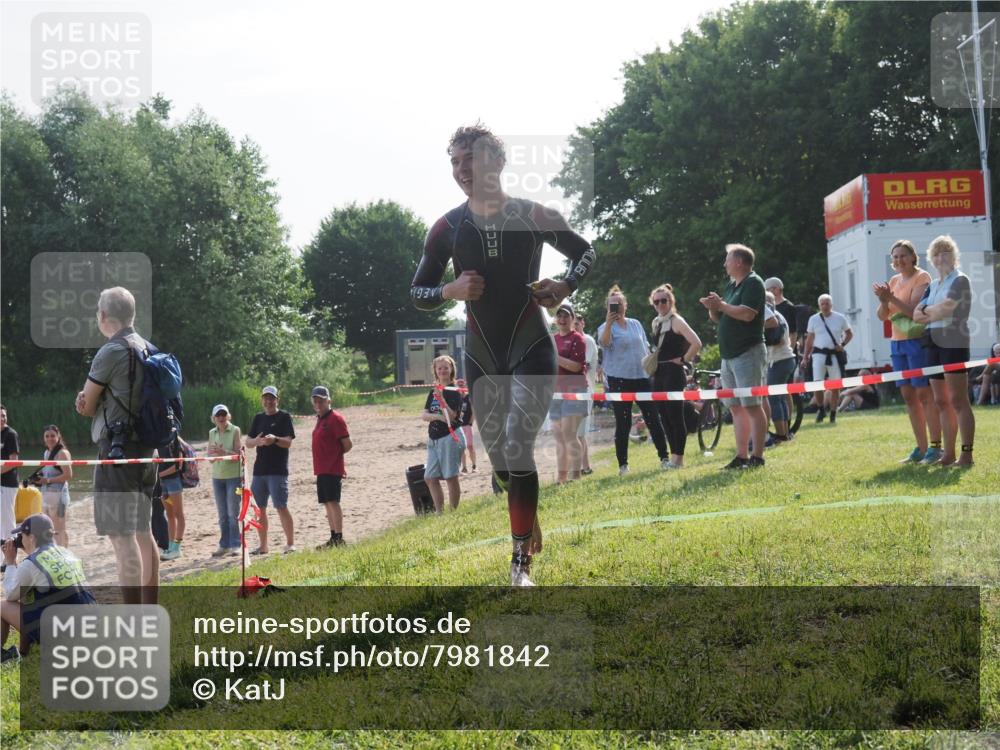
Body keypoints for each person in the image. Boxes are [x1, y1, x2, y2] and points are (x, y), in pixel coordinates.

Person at [411, 124, 595, 586]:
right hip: (480, 354)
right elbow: (418, 289)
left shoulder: (533, 214)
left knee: (517, 445)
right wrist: (449, 289)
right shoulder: (448, 228)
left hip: (532, 345)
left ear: (495, 161)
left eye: (468, 159)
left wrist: (565, 285)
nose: (461, 170)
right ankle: (526, 514)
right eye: (454, 162)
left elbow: (585, 251)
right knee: (500, 460)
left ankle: (519, 564)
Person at [75, 287, 158, 604]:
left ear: (104, 316)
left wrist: (84, 403)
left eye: (98, 309)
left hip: (116, 453)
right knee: (144, 532)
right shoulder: (147, 347)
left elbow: (87, 405)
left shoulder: (110, 351)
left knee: (122, 539)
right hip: (146, 452)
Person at [873, 239, 943, 464]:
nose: (899, 260)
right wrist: (884, 302)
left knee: (924, 394)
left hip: (916, 340)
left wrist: (890, 298)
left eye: (903, 255)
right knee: (908, 396)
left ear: (913, 257)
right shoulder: (894, 280)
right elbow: (882, 315)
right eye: (895, 257)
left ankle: (935, 447)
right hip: (897, 342)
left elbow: (914, 311)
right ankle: (920, 448)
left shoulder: (922, 277)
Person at [699, 244, 768, 469]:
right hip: (728, 356)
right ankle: (741, 456)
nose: (724, 263)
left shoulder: (754, 283)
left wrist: (722, 305)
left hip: (748, 353)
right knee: (736, 408)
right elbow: (721, 318)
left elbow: (748, 314)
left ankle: (758, 456)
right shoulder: (731, 286)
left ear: (739, 262)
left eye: (728, 259)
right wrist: (713, 308)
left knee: (752, 406)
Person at [913, 235, 976, 467]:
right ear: (932, 258)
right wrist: (932, 310)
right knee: (940, 401)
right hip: (931, 341)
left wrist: (928, 310)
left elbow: (946, 310)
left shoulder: (960, 280)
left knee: (958, 399)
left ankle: (966, 454)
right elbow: (915, 315)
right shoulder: (932, 285)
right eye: (936, 253)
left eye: (945, 252)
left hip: (953, 340)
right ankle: (948, 454)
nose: (941, 257)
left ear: (954, 256)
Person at [598, 285, 672, 475]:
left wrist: (653, 364)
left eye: (619, 304)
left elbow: (645, 348)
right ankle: (623, 465)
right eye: (612, 306)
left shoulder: (635, 324)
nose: (617, 308)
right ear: (607, 308)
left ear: (625, 305)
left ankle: (664, 457)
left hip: (641, 378)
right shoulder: (604, 327)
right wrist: (608, 323)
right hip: (618, 380)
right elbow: (604, 343)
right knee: (623, 423)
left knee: (653, 418)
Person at [1, 514, 94, 662]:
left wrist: (11, 562)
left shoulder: (31, 563)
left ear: (31, 537)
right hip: (90, 631)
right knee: (31, 596)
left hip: (64, 637)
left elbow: (11, 594)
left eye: (22, 535)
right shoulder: (67, 553)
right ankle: (24, 653)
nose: (20, 539)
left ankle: (2, 654)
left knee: (2, 606)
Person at [648, 284, 702, 468]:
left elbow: (696, 342)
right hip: (659, 373)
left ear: (671, 301)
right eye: (657, 301)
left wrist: (684, 359)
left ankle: (679, 459)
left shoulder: (677, 321)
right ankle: (673, 458)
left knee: (675, 417)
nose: (660, 304)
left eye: (664, 300)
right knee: (664, 417)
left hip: (673, 372)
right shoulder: (656, 322)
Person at [246, 386, 297, 554]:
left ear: (277, 399)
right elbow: (248, 442)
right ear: (262, 400)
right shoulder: (258, 418)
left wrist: (274, 439)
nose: (268, 401)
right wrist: (258, 442)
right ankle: (263, 546)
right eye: (266, 398)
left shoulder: (284, 417)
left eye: (271, 398)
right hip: (259, 471)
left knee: (281, 506)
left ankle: (290, 544)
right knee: (259, 509)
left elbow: (288, 442)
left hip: (278, 470)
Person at [549, 302, 588, 483]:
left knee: (569, 433)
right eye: (560, 316)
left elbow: (576, 366)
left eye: (566, 316)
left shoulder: (578, 339)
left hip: (575, 389)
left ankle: (576, 475)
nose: (562, 319)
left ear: (573, 319)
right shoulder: (552, 339)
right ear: (556, 319)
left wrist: (555, 358)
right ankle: (561, 478)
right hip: (555, 392)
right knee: (558, 436)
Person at [422, 356, 465, 512]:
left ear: (452, 369)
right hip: (433, 438)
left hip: (450, 436)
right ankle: (440, 513)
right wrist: (438, 416)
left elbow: (453, 416)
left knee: (450, 477)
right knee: (430, 477)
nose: (442, 370)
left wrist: (442, 400)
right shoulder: (433, 391)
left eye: (446, 367)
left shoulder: (455, 391)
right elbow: (424, 415)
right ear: (435, 371)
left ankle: (453, 511)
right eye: (439, 368)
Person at [311, 386, 353, 547]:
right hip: (321, 468)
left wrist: (335, 458)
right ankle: (333, 536)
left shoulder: (335, 418)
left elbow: (347, 444)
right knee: (327, 502)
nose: (318, 403)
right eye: (316, 401)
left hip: (332, 468)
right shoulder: (320, 419)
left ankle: (339, 537)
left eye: (321, 400)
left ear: (328, 400)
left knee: (333, 501)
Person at [802, 294, 853, 424]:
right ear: (819, 305)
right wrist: (805, 357)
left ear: (831, 305)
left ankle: (833, 412)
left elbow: (849, 333)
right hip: (818, 354)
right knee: (817, 384)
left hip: (834, 354)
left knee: (835, 385)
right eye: (822, 304)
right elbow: (809, 339)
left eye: (827, 303)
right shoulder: (813, 319)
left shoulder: (840, 318)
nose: (825, 306)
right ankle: (820, 409)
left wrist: (842, 345)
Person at [207, 404, 242, 557]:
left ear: (228, 416)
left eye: (223, 414)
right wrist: (214, 455)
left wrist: (223, 452)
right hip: (217, 477)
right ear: (213, 418)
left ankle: (236, 544)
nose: (221, 418)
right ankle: (224, 544)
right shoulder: (211, 433)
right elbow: (210, 459)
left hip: (233, 477)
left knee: (232, 512)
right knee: (222, 514)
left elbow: (238, 456)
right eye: (218, 415)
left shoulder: (235, 430)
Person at [763, 292, 797, 445]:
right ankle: (784, 433)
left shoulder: (773, 318)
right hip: (785, 359)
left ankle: (781, 435)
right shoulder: (779, 315)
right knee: (780, 398)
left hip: (780, 360)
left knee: (774, 398)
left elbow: (775, 341)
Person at [38, 425, 72, 547]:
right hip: (47, 496)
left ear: (58, 437)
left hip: (60, 497)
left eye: (52, 436)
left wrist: (47, 480)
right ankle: (61, 552)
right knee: (50, 528)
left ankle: (64, 554)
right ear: (44, 438)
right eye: (47, 436)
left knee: (59, 529)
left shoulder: (62, 453)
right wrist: (37, 479)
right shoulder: (47, 452)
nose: (50, 438)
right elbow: (48, 472)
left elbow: (68, 475)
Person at [574, 313, 599, 473]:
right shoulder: (574, 342)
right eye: (573, 323)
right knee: (575, 432)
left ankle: (585, 467)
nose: (575, 326)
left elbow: (584, 366)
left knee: (579, 432)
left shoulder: (587, 341)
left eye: (577, 323)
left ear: (583, 323)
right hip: (573, 391)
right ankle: (584, 467)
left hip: (584, 390)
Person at [157, 436, 186, 561]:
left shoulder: (174, 440)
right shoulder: (156, 440)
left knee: (178, 513)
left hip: (173, 481)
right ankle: (170, 547)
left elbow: (178, 465)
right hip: (162, 483)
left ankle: (177, 547)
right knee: (169, 514)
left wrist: (159, 475)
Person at [0, 405, 19, 540]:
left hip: (7, 484)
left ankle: (11, 553)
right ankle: (2, 558)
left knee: (7, 520)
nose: (2, 418)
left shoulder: (10, 434)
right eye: (0, 416)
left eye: (4, 416)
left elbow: (13, 461)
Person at [764, 278, 799, 350]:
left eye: (767, 290)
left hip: (785, 350)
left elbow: (793, 333)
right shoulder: (768, 307)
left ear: (776, 289)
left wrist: (791, 350)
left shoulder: (789, 307)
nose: (765, 293)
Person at [457, 379, 477, 473]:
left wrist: (470, 422)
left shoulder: (469, 397)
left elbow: (474, 411)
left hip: (467, 425)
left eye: (462, 385)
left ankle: (474, 466)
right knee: (461, 448)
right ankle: (464, 467)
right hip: (458, 426)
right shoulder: (456, 398)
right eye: (459, 385)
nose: (460, 387)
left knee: (470, 446)